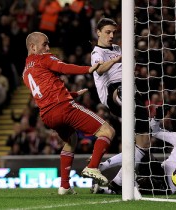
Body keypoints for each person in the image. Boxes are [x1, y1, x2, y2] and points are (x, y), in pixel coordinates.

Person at [22, 32, 115, 195]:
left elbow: (45, 93)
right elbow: (63, 67)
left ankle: (64, 185)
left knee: (71, 139)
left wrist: (73, 94)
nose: (48, 48)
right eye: (45, 44)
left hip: (47, 115)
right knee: (107, 131)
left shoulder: (25, 73)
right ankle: (92, 167)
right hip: (63, 108)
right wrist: (88, 69)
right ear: (33, 47)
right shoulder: (43, 58)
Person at [92, 107, 176, 195]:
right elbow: (155, 131)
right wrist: (157, 118)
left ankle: (108, 189)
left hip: (169, 187)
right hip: (159, 170)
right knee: (140, 150)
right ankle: (102, 166)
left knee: (138, 187)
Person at [90, 18, 150, 193]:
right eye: (107, 32)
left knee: (143, 144)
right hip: (113, 93)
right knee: (125, 92)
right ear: (98, 32)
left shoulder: (116, 48)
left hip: (129, 90)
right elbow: (99, 70)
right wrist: (118, 60)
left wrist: (133, 26)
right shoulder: (97, 52)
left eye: (113, 32)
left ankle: (114, 182)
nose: (111, 36)